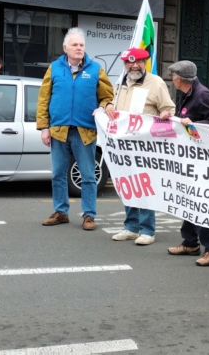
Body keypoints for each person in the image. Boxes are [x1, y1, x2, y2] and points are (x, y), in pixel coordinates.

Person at [36, 27, 114, 231]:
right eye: (75, 45)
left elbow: (107, 96)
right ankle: (61, 212)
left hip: (85, 130)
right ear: (65, 48)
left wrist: (105, 106)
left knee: (88, 175)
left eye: (81, 45)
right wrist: (44, 127)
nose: (79, 48)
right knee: (58, 174)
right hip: (58, 129)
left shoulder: (96, 69)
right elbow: (43, 99)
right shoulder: (54, 68)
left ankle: (89, 215)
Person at [163, 60, 209, 266]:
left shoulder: (202, 94)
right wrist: (169, 118)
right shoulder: (188, 94)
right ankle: (190, 242)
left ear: (180, 78)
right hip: (190, 157)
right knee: (188, 199)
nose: (172, 79)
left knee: (199, 202)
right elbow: (183, 120)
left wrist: (195, 124)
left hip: (202, 159)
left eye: (173, 76)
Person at [110, 47, 175, 245]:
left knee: (144, 186)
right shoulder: (119, 83)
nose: (134, 65)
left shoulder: (156, 83)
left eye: (139, 61)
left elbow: (168, 108)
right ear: (125, 64)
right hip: (123, 146)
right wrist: (107, 107)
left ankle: (147, 229)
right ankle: (131, 227)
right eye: (130, 62)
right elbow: (112, 106)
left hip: (146, 148)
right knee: (127, 185)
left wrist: (166, 114)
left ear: (145, 62)